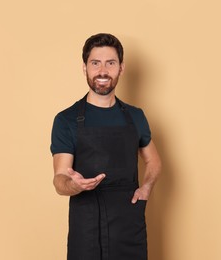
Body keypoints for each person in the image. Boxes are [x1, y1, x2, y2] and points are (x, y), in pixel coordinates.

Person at [50, 33, 162, 260]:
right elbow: (60, 180)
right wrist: (75, 184)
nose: (103, 71)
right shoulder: (66, 120)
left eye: (110, 63)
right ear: (85, 68)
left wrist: (147, 186)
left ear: (121, 68)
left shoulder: (136, 116)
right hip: (87, 225)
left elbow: (154, 161)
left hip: (129, 226)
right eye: (95, 63)